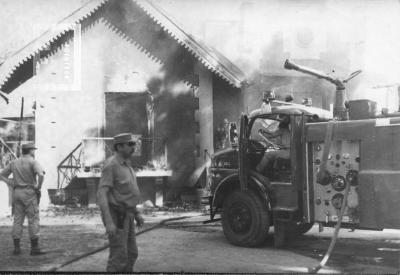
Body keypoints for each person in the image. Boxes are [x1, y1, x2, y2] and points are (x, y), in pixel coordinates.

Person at [97, 133, 144, 272]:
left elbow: (126, 193)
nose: (133, 147)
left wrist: (136, 213)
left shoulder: (126, 165)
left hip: (128, 214)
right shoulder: (111, 165)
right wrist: (109, 222)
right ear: (119, 146)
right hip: (117, 216)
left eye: (133, 144)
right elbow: (102, 194)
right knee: (119, 257)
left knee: (131, 254)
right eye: (130, 144)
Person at [0, 143, 45, 256]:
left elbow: (2, 175)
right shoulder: (33, 162)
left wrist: (10, 183)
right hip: (29, 192)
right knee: (33, 219)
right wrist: (38, 186)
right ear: (30, 151)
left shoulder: (14, 162)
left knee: (17, 220)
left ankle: (17, 248)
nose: (34, 151)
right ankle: (34, 248)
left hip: (17, 192)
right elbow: (41, 174)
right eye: (33, 150)